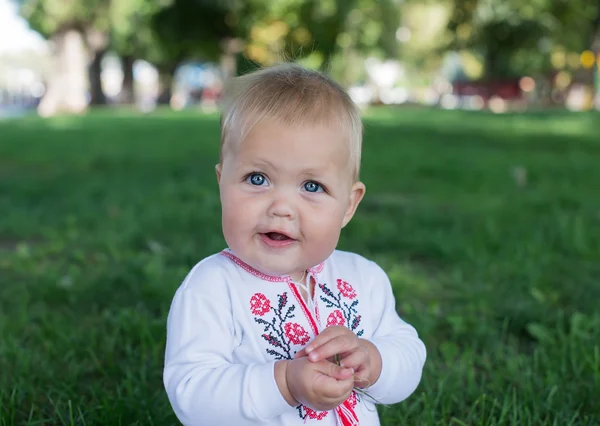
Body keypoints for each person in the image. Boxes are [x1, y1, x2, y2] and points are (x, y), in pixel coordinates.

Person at [163, 63, 426, 426]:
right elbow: (192, 392)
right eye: (258, 178)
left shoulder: (365, 279)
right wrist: (284, 382)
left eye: (312, 186)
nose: (282, 207)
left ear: (348, 206)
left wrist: (374, 361)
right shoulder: (212, 288)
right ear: (222, 182)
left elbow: (409, 353)